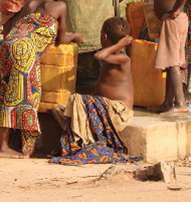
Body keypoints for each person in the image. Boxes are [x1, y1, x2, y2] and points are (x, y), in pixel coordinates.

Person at [0, 0, 84, 159]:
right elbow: (60, 40)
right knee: (19, 97)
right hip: (25, 52)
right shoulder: (60, 6)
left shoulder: (29, 4)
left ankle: (1, 142)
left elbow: (28, 28)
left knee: (8, 93)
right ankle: (1, 147)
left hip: (8, 44)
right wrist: (75, 36)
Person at [49, 17, 140, 165]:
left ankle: (85, 141)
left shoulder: (122, 58)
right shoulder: (112, 56)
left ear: (104, 36)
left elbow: (98, 56)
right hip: (104, 110)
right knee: (58, 109)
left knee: (76, 99)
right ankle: (87, 138)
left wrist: (118, 45)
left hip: (119, 112)